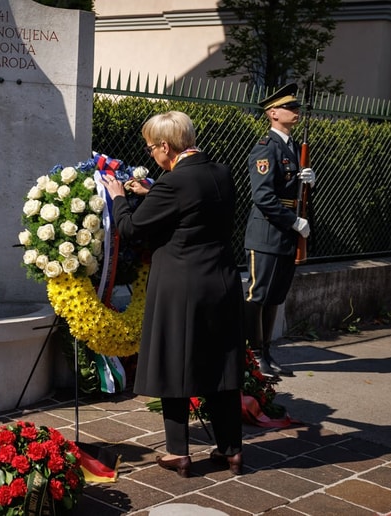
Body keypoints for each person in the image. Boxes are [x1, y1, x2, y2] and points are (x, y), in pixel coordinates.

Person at [101, 111, 245, 478]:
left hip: (182, 285)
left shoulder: (173, 182)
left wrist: (118, 197)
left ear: (166, 146)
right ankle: (231, 450)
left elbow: (131, 229)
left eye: (151, 148)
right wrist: (153, 193)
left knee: (175, 363)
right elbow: (195, 208)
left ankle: (178, 452)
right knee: (222, 365)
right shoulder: (221, 172)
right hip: (222, 282)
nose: (151, 154)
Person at [244, 83, 316, 379]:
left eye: (296, 107)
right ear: (273, 113)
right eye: (289, 107)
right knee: (258, 295)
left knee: (275, 296)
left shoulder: (292, 147)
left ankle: (266, 351)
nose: (296, 111)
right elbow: (263, 197)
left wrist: (310, 183)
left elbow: (293, 191)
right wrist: (294, 222)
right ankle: (252, 355)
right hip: (267, 233)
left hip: (285, 233)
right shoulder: (266, 148)